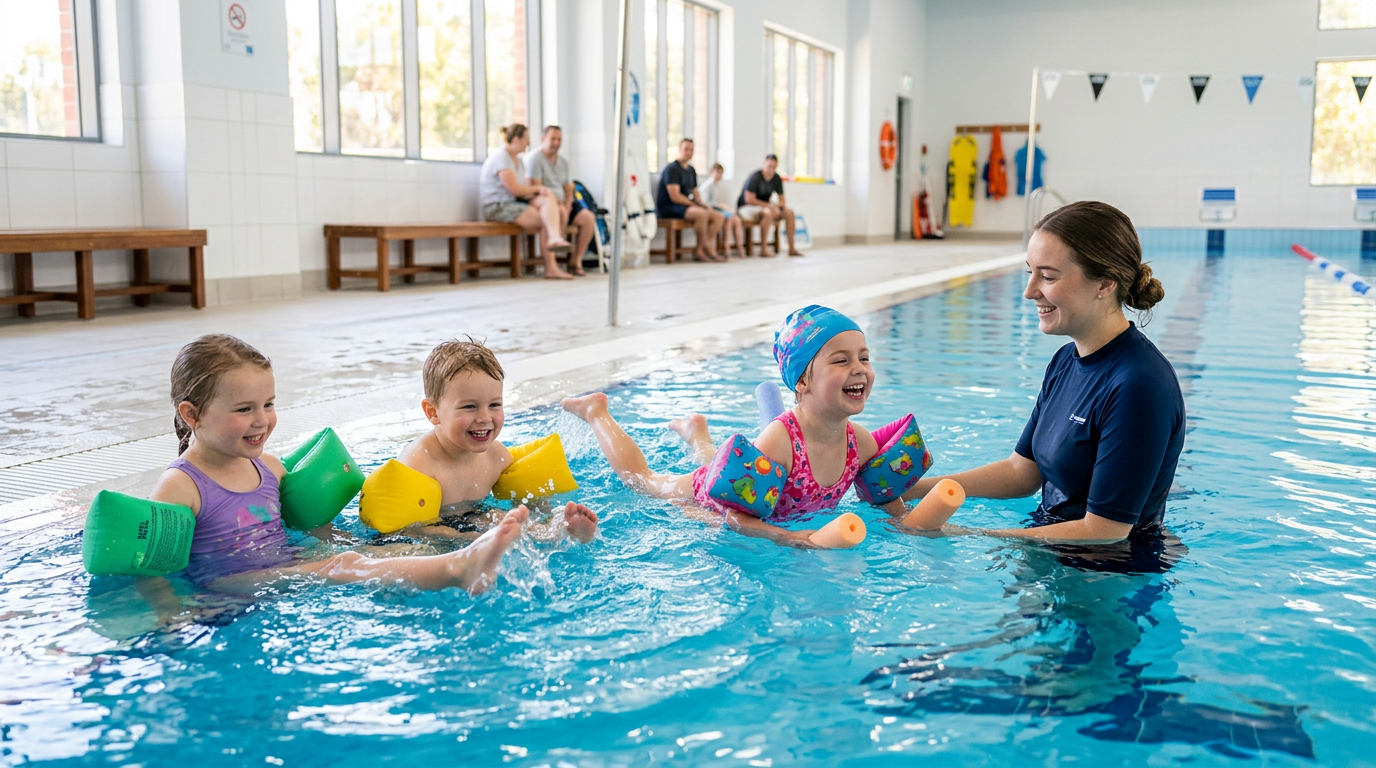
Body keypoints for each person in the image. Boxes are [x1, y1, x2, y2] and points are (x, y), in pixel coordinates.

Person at [144, 335, 527, 599]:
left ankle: (462, 561)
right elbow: (151, 573)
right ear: (192, 414)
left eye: (269, 405)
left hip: (282, 570)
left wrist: (356, 545)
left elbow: (312, 530)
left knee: (395, 551)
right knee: (342, 566)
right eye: (244, 409)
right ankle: (460, 569)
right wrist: (171, 617)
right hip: (226, 587)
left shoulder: (269, 469)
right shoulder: (180, 487)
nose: (262, 420)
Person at [902, 201, 1183, 544]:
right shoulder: (1066, 360)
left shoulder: (1139, 385)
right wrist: (913, 490)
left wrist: (968, 535)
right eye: (1030, 272)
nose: (1030, 291)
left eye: (1048, 277)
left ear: (1105, 283)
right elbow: (1022, 473)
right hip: (1051, 546)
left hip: (1110, 575)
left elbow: (1106, 531)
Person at [561, 305, 904, 548]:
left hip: (745, 479)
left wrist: (910, 524)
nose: (859, 368)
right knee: (644, 480)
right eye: (841, 360)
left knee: (715, 463)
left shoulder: (859, 443)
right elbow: (736, 518)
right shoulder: (780, 441)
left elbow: (887, 501)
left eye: (864, 357)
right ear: (801, 382)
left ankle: (697, 432)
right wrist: (789, 538)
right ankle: (597, 412)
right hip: (709, 497)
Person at [395, 338, 598, 542]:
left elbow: (526, 503)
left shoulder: (495, 456)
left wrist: (543, 514)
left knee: (504, 521)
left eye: (494, 405)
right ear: (433, 412)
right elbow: (407, 529)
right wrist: (469, 538)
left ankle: (560, 531)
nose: (485, 418)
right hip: (431, 532)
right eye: (469, 407)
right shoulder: (418, 464)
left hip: (475, 516)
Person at [478, 123, 573, 280]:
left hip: (514, 203)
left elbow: (522, 190)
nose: (528, 143)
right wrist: (539, 189)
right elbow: (515, 189)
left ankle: (555, 244)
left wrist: (540, 193)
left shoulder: (518, 161)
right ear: (516, 139)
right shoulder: (502, 158)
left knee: (547, 201)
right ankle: (551, 265)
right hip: (498, 207)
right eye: (526, 139)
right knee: (546, 219)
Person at [524, 125, 595, 276]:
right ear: (543, 139)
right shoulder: (535, 159)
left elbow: (568, 187)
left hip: (563, 202)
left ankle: (575, 261)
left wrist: (567, 204)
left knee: (588, 218)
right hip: (545, 203)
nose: (556, 143)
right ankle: (552, 266)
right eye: (552, 139)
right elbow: (536, 188)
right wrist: (558, 205)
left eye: (559, 139)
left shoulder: (563, 162)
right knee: (552, 213)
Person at [655, 138, 724, 262]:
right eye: (686, 149)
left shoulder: (691, 170)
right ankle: (702, 249)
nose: (689, 152)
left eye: (691, 150)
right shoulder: (672, 169)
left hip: (686, 206)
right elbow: (675, 196)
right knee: (701, 214)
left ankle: (704, 246)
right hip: (669, 207)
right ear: (680, 150)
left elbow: (695, 193)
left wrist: (703, 205)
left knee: (718, 216)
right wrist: (695, 205)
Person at [736, 154, 801, 257]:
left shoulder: (776, 178)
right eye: (769, 166)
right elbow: (749, 199)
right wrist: (770, 206)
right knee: (767, 213)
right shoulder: (755, 176)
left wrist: (778, 206)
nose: (771, 169)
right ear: (764, 164)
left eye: (773, 167)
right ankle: (764, 249)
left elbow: (782, 200)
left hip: (765, 206)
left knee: (789, 213)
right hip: (747, 207)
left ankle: (792, 249)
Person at [698, 162, 745, 258]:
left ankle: (739, 247)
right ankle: (726, 248)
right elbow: (705, 202)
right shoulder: (707, 186)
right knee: (729, 219)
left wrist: (728, 209)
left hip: (719, 209)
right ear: (711, 172)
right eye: (717, 172)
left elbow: (720, 202)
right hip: (711, 209)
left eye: (720, 173)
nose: (718, 175)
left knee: (737, 219)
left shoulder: (718, 186)